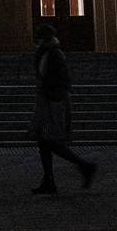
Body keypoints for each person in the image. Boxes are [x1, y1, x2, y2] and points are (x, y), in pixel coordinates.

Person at [30, 22, 96, 194]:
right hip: (48, 101)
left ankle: (83, 166)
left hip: (54, 103)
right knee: (44, 141)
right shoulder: (46, 53)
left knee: (50, 141)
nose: (37, 41)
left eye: (39, 38)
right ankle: (49, 179)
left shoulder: (53, 54)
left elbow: (61, 80)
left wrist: (53, 97)